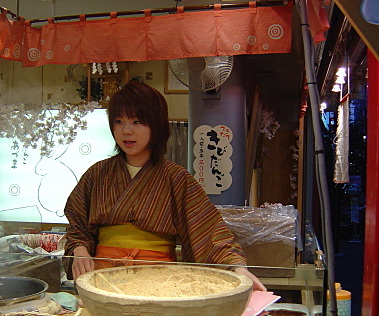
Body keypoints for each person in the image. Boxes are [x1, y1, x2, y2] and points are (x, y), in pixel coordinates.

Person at [64, 81, 266, 291]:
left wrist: (236, 268)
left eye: (137, 121)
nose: (126, 131)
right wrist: (79, 250)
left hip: (159, 281)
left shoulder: (176, 178)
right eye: (118, 121)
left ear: (156, 124)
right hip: (103, 278)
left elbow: (209, 230)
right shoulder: (97, 174)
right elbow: (77, 225)